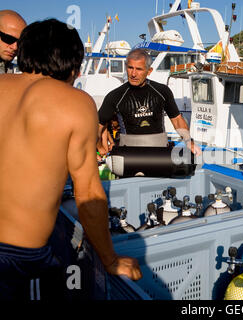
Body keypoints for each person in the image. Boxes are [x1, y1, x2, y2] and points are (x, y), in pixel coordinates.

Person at [0, 19, 142, 300]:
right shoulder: (75, 102)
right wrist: (110, 260)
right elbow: (88, 193)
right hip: (19, 258)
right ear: (73, 67)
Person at [97, 48, 201, 156]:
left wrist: (190, 143)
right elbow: (97, 126)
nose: (133, 74)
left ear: (149, 71)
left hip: (159, 153)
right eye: (130, 68)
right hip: (128, 156)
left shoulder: (162, 91)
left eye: (139, 69)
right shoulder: (115, 96)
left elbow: (177, 120)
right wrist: (99, 147)